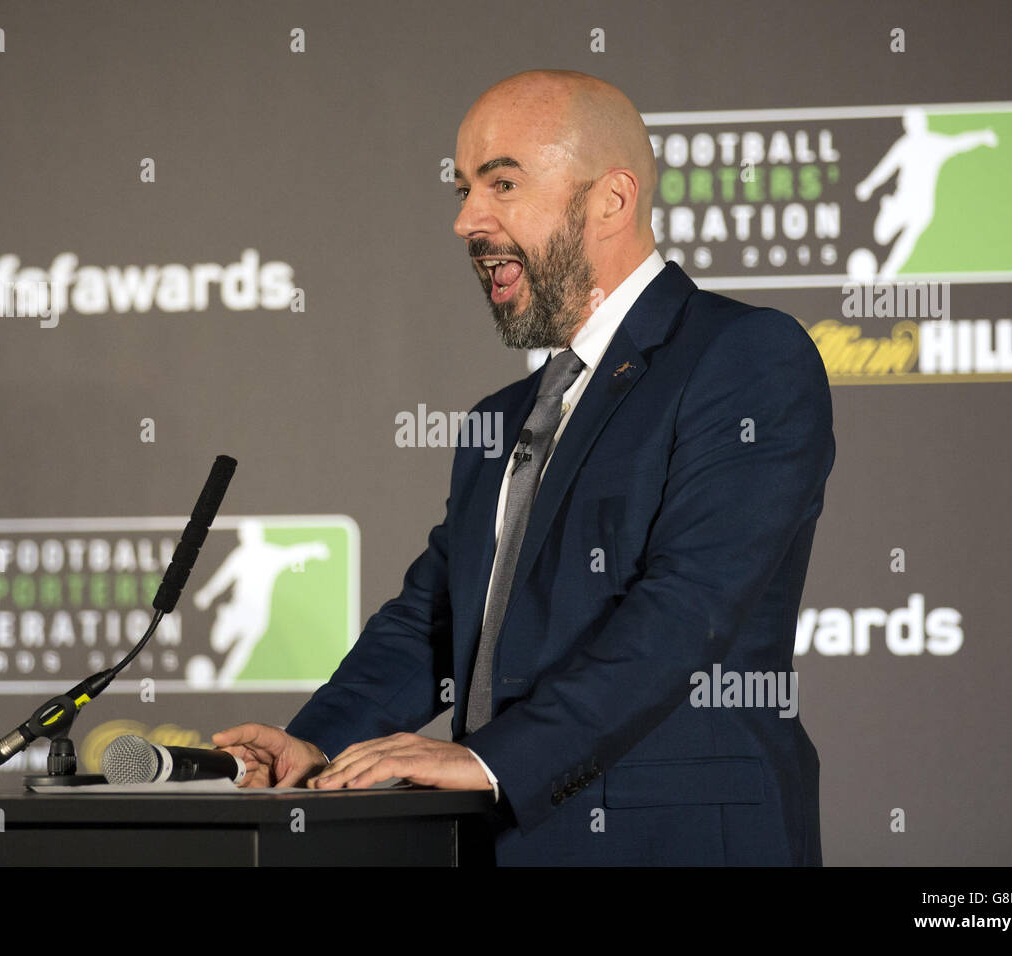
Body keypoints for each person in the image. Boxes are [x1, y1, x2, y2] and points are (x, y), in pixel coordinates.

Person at [213, 69, 834, 866]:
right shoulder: (500, 418)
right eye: (464, 189)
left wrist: (489, 760)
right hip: (502, 843)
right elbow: (436, 622)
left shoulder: (744, 358)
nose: (468, 220)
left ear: (612, 200)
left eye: (502, 183)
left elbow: (687, 611)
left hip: (673, 840)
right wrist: (313, 742)